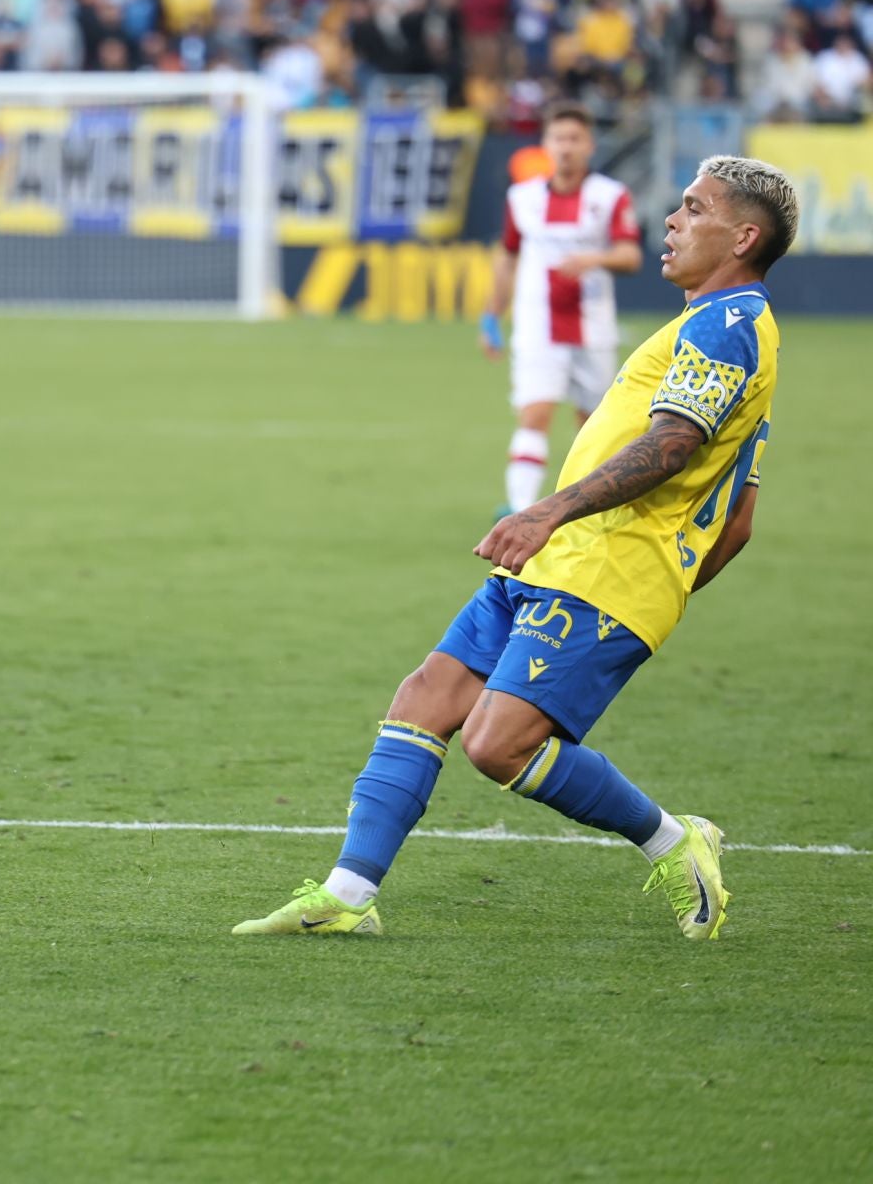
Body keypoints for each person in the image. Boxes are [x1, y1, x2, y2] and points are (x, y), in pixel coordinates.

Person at [235, 156, 797, 942]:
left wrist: (565, 527)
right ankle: (348, 894)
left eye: (694, 209)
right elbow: (738, 519)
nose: (671, 221)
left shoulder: (728, 329)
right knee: (426, 696)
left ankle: (675, 842)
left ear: (742, 235)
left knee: (498, 745)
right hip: (565, 561)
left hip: (599, 569)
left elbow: (672, 447)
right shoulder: (717, 329)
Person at [481, 105, 642, 516]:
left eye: (575, 139)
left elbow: (630, 255)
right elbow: (507, 258)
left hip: (593, 327)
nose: (567, 148)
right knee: (534, 413)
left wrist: (591, 260)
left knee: (595, 427)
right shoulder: (522, 199)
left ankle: (590, 508)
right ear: (546, 145)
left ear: (589, 145)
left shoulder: (610, 196)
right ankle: (520, 509)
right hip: (537, 325)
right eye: (559, 139)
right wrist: (490, 316)